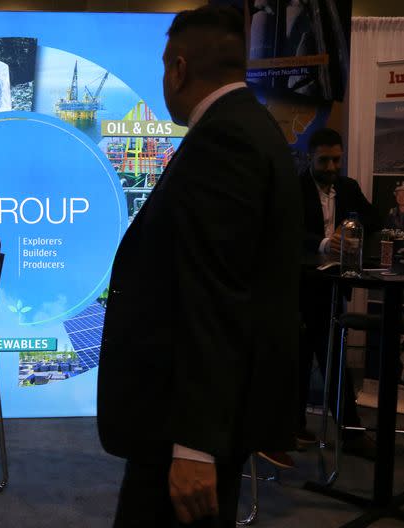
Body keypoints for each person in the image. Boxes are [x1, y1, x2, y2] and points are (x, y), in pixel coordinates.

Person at [98, 6, 300, 526]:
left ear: (179, 69)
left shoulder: (223, 141)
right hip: (198, 411)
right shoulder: (251, 128)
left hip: (181, 422)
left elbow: (216, 296)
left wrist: (194, 447)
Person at [260, 128, 379, 470]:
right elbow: (287, 232)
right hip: (298, 286)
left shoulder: (348, 188)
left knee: (329, 357)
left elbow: (373, 217)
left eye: (336, 160)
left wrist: (351, 227)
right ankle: (309, 430)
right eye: (324, 160)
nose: (331, 166)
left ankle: (331, 431)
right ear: (310, 157)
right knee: (303, 360)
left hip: (332, 286)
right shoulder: (294, 189)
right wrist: (326, 243)